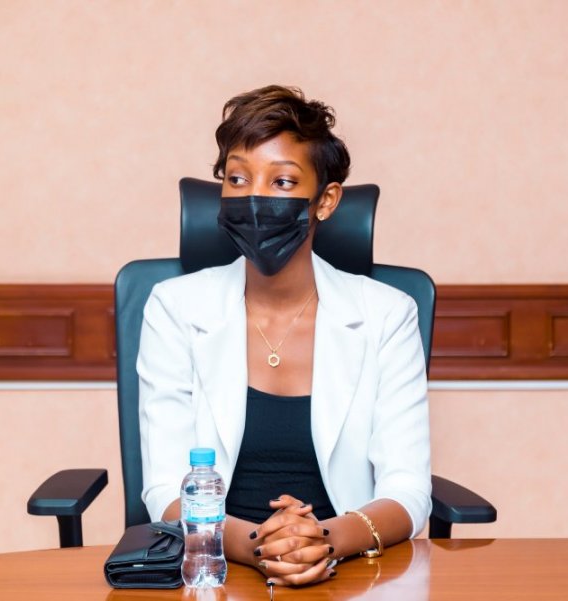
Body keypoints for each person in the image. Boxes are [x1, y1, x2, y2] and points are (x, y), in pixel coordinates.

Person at [137, 85, 431, 587]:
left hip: (353, 575)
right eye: (237, 177)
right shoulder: (175, 307)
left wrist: (324, 540)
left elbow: (407, 489)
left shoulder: (387, 314)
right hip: (215, 574)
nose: (254, 197)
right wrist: (261, 546)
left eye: (282, 181)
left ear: (325, 201)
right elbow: (165, 488)